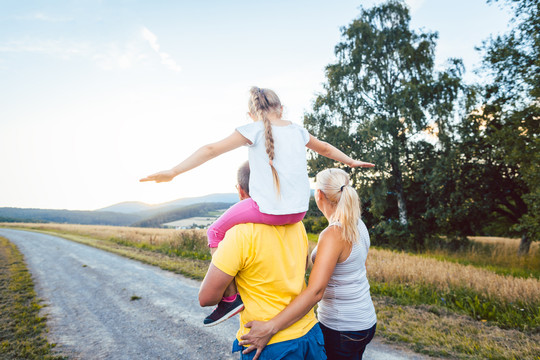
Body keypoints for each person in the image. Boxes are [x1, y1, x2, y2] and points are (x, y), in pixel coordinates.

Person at [141, 87, 374, 325]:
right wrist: (350, 161)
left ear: (251, 114)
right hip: (298, 214)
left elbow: (211, 150)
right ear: (281, 109)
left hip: (267, 212)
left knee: (215, 231)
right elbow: (324, 147)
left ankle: (231, 297)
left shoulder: (252, 129)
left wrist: (174, 171)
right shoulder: (297, 130)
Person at [239, 168, 377, 360]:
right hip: (364, 320)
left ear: (318, 194)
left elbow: (315, 292)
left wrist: (270, 327)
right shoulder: (357, 224)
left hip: (342, 328)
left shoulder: (333, 235)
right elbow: (359, 267)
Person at [198, 161, 327, 359]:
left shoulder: (239, 234)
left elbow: (206, 298)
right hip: (309, 334)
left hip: (269, 344)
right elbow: (303, 267)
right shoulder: (296, 223)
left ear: (241, 191)